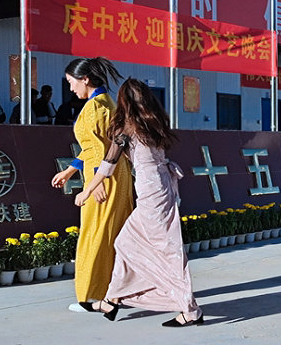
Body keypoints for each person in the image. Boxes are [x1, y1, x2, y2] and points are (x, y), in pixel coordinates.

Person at [74, 78, 203, 327]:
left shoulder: (127, 128)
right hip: (159, 188)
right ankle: (112, 300)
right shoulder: (152, 123)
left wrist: (87, 190)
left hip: (151, 193)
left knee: (166, 250)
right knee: (126, 243)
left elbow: (108, 165)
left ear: (124, 101)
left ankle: (190, 310)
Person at [51, 57, 133, 312]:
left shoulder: (96, 107)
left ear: (84, 79)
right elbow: (93, 147)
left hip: (104, 178)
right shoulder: (105, 102)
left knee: (96, 233)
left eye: (71, 82)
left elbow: (100, 150)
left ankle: (91, 296)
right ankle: (115, 292)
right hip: (112, 175)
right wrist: (70, 170)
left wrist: (95, 183)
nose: (71, 88)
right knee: (113, 233)